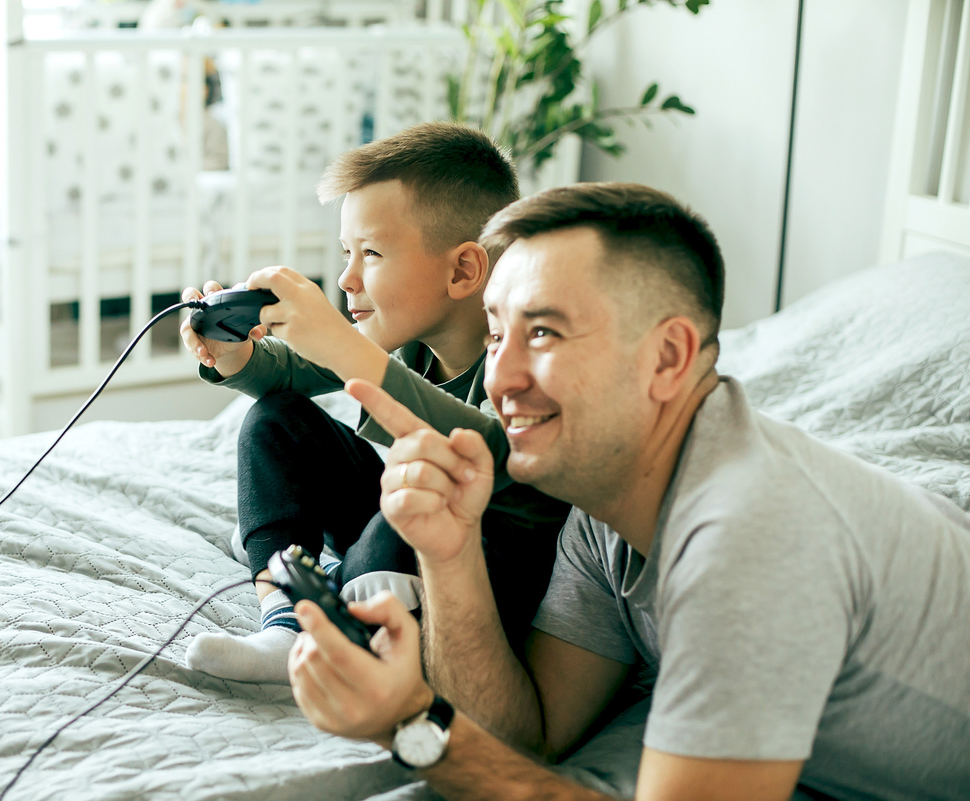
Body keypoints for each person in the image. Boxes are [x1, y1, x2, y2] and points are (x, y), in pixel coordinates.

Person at [287, 183, 970, 800]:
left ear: (668, 358)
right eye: (497, 335)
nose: (501, 378)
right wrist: (449, 552)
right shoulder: (606, 504)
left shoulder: (750, 537)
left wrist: (411, 722)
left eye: (544, 331)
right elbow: (533, 732)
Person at [179, 122, 570, 684]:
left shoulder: (523, 358)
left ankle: (347, 614)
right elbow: (293, 371)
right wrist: (234, 353)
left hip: (483, 555)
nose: (346, 278)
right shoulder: (405, 335)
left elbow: (486, 455)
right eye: (346, 253)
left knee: (399, 514)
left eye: (372, 253)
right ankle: (287, 623)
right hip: (416, 528)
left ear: (462, 270)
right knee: (274, 420)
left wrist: (342, 345)